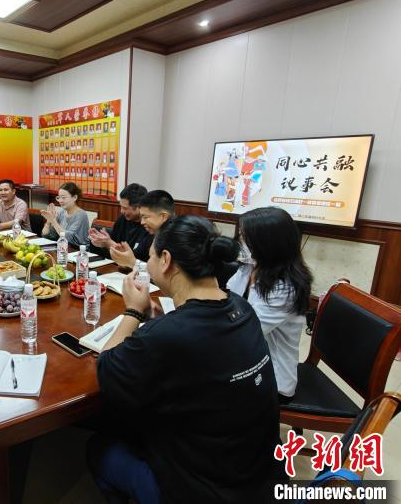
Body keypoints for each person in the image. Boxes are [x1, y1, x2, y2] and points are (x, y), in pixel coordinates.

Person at [88, 215, 284, 504]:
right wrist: (162, 323)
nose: (148, 263)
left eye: (151, 256)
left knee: (100, 448)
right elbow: (201, 350)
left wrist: (133, 312)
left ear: (166, 260)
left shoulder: (169, 335)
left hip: (206, 491)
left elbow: (107, 369)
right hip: (263, 476)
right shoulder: (242, 308)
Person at [228, 207, 313, 400]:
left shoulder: (285, 288)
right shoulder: (250, 267)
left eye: (244, 238)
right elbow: (226, 299)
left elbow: (246, 333)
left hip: (270, 376)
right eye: (240, 235)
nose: (239, 243)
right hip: (245, 359)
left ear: (267, 244)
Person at [109, 189, 174, 268]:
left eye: (145, 217)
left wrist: (132, 262)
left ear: (163, 216)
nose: (142, 222)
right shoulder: (155, 232)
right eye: (142, 217)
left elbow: (161, 272)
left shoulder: (176, 237)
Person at [89, 183, 152, 262]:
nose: (121, 211)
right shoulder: (122, 219)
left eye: (125, 208)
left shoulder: (149, 227)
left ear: (139, 207)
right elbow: (110, 252)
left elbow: (136, 258)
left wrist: (109, 243)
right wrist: (102, 243)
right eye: (121, 207)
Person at [41, 182, 89, 246]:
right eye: (59, 197)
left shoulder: (81, 215)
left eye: (63, 197)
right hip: (63, 248)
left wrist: (53, 221)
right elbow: (46, 236)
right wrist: (48, 222)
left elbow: (69, 239)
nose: (60, 201)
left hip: (77, 250)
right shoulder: (62, 212)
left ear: (74, 197)